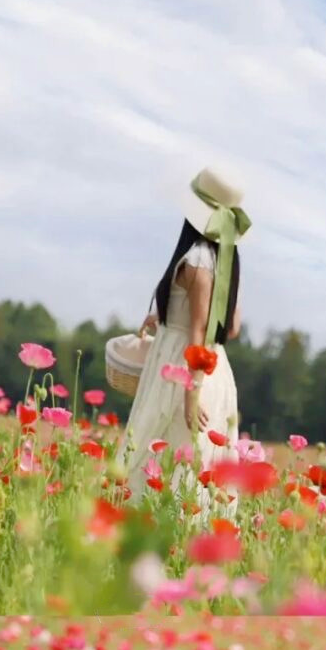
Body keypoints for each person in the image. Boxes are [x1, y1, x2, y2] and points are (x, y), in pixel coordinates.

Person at [118, 168, 250, 516]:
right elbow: (228, 330)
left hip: (188, 373)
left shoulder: (195, 262)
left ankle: (158, 544)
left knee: (162, 456)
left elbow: (198, 333)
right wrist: (165, 319)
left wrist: (191, 394)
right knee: (192, 470)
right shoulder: (224, 263)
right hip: (215, 372)